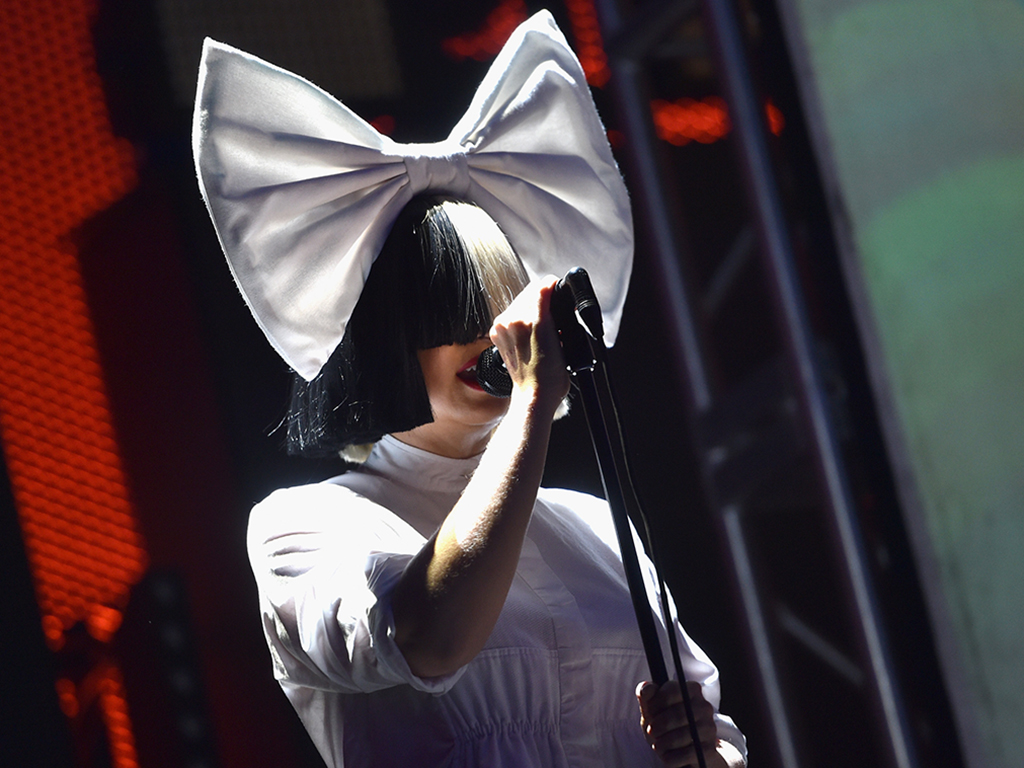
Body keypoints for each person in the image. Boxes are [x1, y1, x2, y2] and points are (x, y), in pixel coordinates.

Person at [193, 12, 746, 768]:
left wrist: (702, 751)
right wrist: (528, 407)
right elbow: (431, 635)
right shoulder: (308, 525)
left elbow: (711, 734)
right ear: (382, 339)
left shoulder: (594, 529)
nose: (492, 336)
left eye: (501, 304)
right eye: (455, 314)